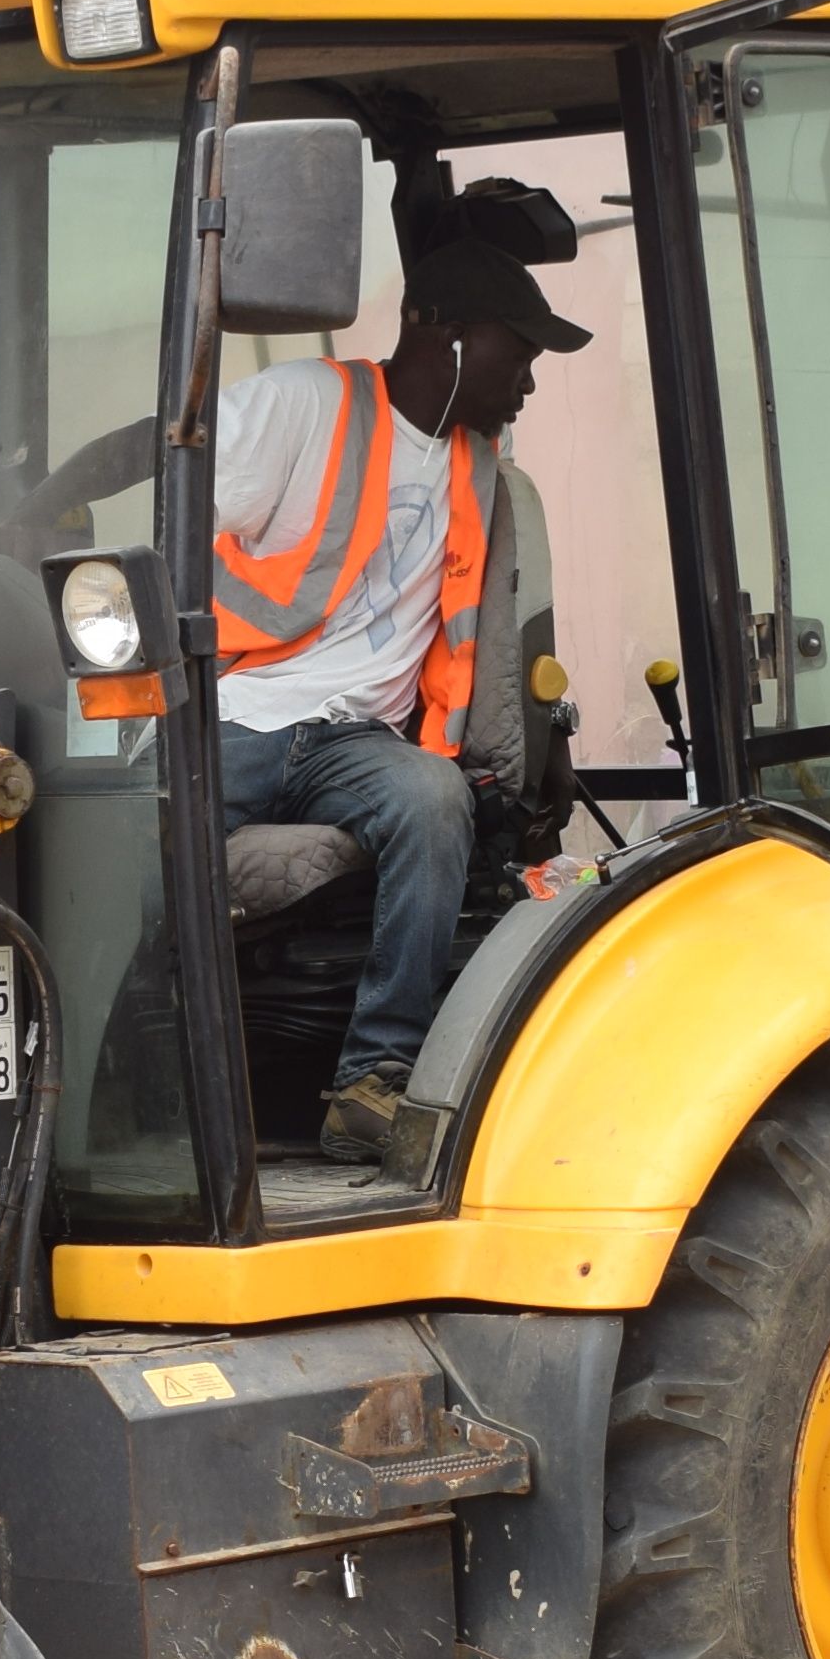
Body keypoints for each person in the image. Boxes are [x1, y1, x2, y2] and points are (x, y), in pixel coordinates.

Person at [200, 174, 588, 1166]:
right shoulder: (303, 404)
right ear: (451, 333)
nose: (531, 380)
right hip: (235, 716)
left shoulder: (481, 469)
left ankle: (372, 1080)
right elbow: (164, 514)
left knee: (430, 799)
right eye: (521, 349)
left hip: (353, 743)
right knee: (138, 838)